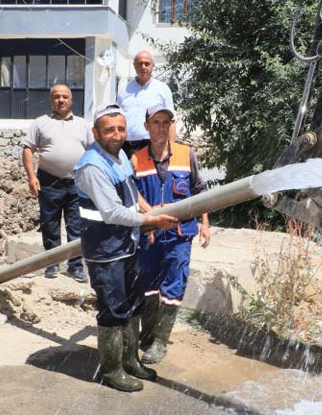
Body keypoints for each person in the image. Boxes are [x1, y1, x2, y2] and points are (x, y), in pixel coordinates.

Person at [73, 103, 178, 392]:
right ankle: (110, 370)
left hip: (127, 245)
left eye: (121, 128)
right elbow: (113, 213)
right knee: (113, 308)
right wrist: (151, 219)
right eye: (109, 130)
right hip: (106, 251)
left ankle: (130, 361)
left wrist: (149, 212)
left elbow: (131, 193)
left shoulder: (118, 154)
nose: (117, 134)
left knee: (132, 304)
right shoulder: (92, 166)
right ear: (96, 132)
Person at [131, 104, 211, 364]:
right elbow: (133, 193)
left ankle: (160, 342)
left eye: (167, 122)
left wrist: (205, 224)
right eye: (156, 122)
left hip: (179, 233)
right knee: (148, 284)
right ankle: (149, 332)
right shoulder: (136, 158)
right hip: (151, 233)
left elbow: (200, 191)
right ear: (147, 126)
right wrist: (152, 214)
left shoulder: (186, 155)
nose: (162, 127)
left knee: (174, 284)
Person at [22, 84, 92, 281]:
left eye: (65, 97)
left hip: (77, 182)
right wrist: (31, 177)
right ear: (50, 100)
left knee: (76, 226)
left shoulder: (84, 125)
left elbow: (94, 151)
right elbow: (28, 149)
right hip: (48, 181)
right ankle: (51, 265)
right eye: (56, 97)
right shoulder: (40, 123)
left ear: (71, 100)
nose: (61, 100)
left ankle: (76, 266)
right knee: (50, 224)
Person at [116, 50, 174, 157]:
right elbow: (118, 118)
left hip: (152, 145)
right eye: (140, 64)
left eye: (147, 64)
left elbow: (171, 122)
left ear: (153, 66)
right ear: (134, 66)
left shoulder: (162, 89)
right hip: (125, 146)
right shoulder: (124, 89)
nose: (143, 67)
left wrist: (171, 148)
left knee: (150, 174)